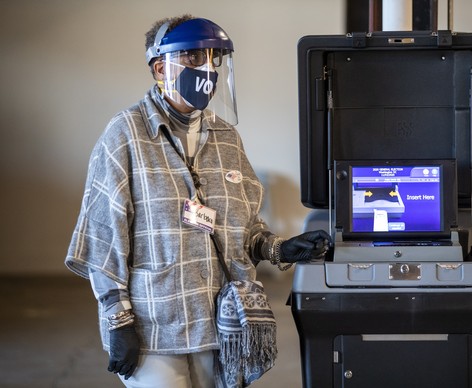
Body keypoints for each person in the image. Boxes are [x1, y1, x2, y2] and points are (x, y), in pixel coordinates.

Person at [65, 14, 330, 388]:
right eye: (193, 58)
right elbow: (102, 241)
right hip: (156, 328)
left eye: (213, 58)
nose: (207, 68)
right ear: (161, 67)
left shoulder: (225, 137)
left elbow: (243, 227)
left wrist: (280, 248)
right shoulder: (125, 136)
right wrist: (118, 320)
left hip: (221, 325)